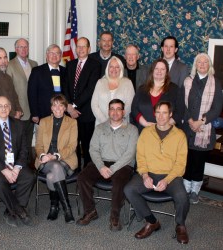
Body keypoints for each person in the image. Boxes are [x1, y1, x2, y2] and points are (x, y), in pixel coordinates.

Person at [124, 101, 189, 244]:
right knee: (129, 189)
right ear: (155, 113)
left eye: (164, 112)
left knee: (182, 196)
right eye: (158, 112)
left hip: (171, 176)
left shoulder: (180, 135)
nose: (160, 116)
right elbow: (140, 157)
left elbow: (180, 164)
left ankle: (180, 225)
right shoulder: (146, 132)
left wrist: (167, 180)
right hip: (149, 173)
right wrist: (145, 174)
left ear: (170, 114)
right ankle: (152, 221)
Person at [77, 99, 138, 231]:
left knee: (119, 182)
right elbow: (93, 149)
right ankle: (90, 211)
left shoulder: (132, 129)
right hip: (102, 162)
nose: (115, 112)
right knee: (82, 177)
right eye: (112, 109)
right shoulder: (99, 128)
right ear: (108, 111)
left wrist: (112, 169)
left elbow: (130, 154)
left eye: (118, 109)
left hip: (123, 164)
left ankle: (114, 216)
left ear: (123, 111)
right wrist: (100, 167)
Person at [0, 96, 35, 227]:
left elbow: (24, 149)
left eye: (6, 106)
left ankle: (10, 211)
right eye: (0, 106)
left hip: (14, 164)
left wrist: (17, 168)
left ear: (10, 108)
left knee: (29, 176)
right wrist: (4, 170)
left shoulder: (19, 125)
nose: (3, 109)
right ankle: (19, 210)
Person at [182, 53, 223, 204]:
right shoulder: (187, 81)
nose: (202, 64)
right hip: (188, 128)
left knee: (199, 161)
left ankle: (194, 191)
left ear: (209, 65)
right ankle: (185, 188)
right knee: (187, 159)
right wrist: (191, 121)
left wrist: (201, 122)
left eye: (206, 62)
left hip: (204, 130)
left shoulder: (215, 83)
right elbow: (182, 104)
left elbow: (217, 107)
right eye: (200, 62)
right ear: (195, 65)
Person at [35, 94, 78, 223]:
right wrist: (43, 155)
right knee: (54, 166)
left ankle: (54, 207)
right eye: (54, 105)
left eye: (61, 105)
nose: (57, 108)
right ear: (51, 108)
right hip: (45, 161)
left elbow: (72, 146)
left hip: (65, 159)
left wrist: (55, 156)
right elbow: (38, 145)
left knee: (51, 175)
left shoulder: (72, 122)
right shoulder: (44, 121)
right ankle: (67, 209)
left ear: (65, 107)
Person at [63, 37, 101, 167]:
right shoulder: (70, 64)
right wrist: (68, 106)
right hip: (70, 113)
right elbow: (66, 87)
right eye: (78, 46)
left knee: (87, 144)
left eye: (83, 46)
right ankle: (75, 169)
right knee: (73, 144)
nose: (80, 49)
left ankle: (87, 172)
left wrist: (73, 106)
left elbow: (90, 90)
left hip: (86, 113)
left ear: (89, 49)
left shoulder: (95, 65)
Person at [6, 38, 38, 163]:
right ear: (16, 49)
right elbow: (9, 91)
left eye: (26, 47)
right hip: (19, 111)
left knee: (29, 140)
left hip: (33, 110)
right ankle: (18, 166)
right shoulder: (10, 65)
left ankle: (28, 166)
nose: (24, 49)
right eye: (20, 47)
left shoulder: (34, 64)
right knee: (18, 142)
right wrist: (14, 110)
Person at [131, 58, 182, 132]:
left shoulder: (175, 89)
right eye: (156, 68)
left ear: (167, 72)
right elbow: (134, 109)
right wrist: (145, 123)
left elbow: (180, 111)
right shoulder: (142, 89)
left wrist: (165, 125)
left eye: (162, 69)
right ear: (152, 71)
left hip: (167, 132)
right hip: (144, 130)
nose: (159, 71)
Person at [91, 56, 134, 126]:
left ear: (121, 69)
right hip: (101, 124)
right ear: (108, 68)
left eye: (117, 67)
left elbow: (130, 105)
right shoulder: (100, 82)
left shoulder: (128, 83)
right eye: (111, 66)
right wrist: (105, 121)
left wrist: (117, 120)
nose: (114, 69)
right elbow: (94, 104)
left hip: (121, 124)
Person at [28, 44, 66, 123]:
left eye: (57, 53)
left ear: (61, 56)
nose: (54, 55)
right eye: (51, 53)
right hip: (43, 114)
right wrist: (34, 113)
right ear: (47, 55)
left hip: (62, 113)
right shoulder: (37, 71)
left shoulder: (65, 71)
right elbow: (32, 93)